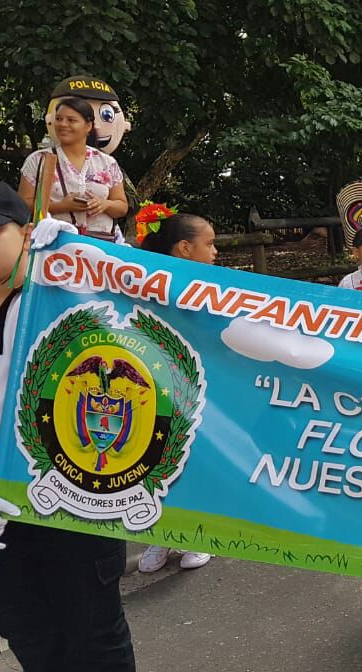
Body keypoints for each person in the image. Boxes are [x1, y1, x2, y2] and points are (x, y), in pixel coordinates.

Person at [0, 186, 137, 670]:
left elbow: (154, 307)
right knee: (35, 645)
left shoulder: (68, 298)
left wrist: (84, 263)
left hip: (74, 508)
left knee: (96, 643)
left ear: (27, 231)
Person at [136, 210, 221, 573]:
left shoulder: (216, 285)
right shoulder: (147, 280)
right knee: (156, 455)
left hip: (202, 386)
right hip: (158, 382)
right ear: (185, 248)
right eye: (210, 243)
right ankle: (162, 532)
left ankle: (198, 533)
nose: (216, 251)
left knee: (195, 457)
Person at [18, 97, 129, 241]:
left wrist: (104, 204)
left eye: (71, 120)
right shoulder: (39, 160)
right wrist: (60, 206)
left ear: (88, 126)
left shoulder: (106, 162)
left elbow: (122, 207)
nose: (63, 124)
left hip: (101, 247)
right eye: (59, 119)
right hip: (54, 245)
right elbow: (22, 204)